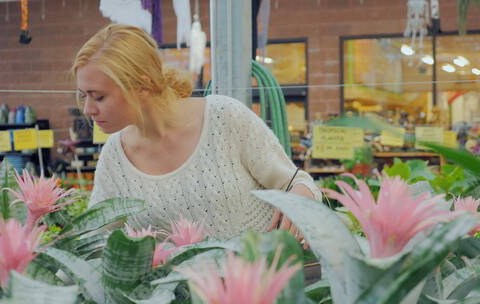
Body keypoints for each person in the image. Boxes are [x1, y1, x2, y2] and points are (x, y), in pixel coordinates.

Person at [71, 23, 321, 240]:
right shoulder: (115, 156)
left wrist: (299, 201)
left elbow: (297, 183)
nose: (88, 109)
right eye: (83, 96)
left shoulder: (224, 118)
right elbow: (94, 240)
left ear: (143, 85)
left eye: (99, 97)